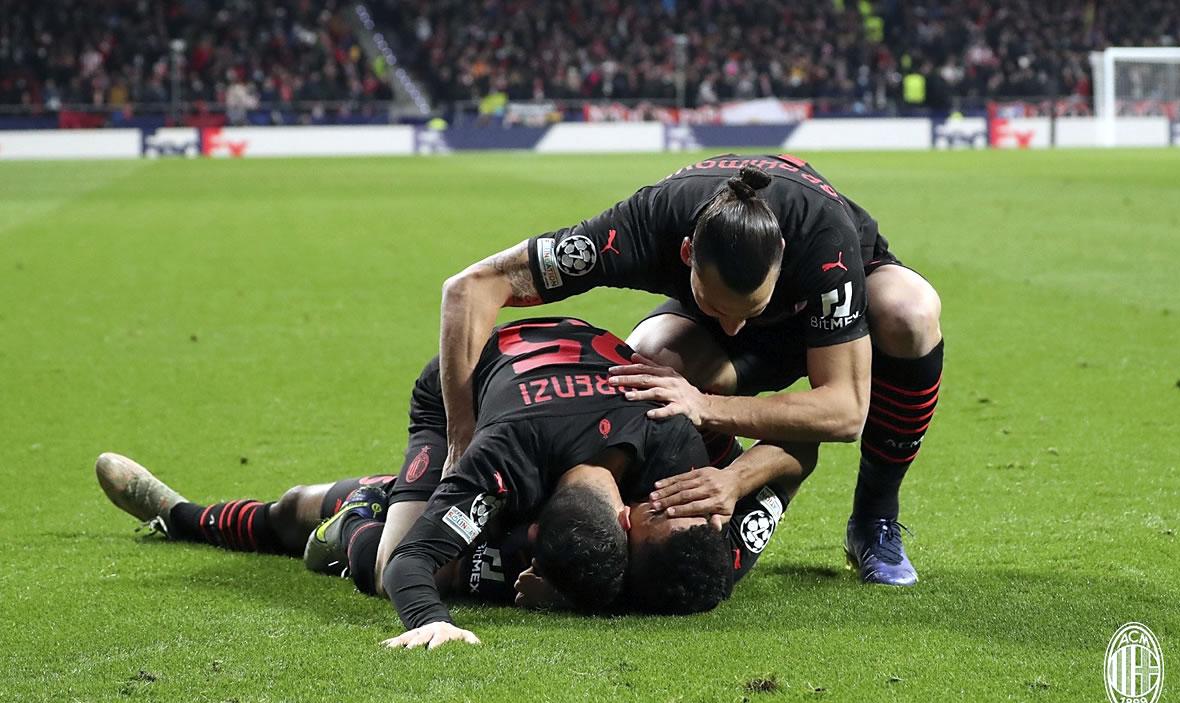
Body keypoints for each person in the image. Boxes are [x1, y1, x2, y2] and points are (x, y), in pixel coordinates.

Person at [95, 317, 806, 648]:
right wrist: (430, 621)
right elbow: (410, 568)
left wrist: (736, 478)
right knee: (393, 564)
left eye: (682, 508)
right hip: (460, 397)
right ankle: (337, 513)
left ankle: (197, 515)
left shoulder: (694, 519)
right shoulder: (530, 459)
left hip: (552, 412)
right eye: (693, 501)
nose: (684, 497)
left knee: (485, 563)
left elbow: (800, 450)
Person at [439, 154, 942, 586]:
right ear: (686, 256)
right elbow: (472, 287)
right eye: (716, 305)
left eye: (749, 309)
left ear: (782, 257)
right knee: (651, 363)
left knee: (911, 313)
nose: (736, 327)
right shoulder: (643, 224)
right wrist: (463, 437)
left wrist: (706, 407)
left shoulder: (822, 240)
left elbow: (846, 412)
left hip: (834, 314)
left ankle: (874, 520)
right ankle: (641, 511)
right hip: (723, 339)